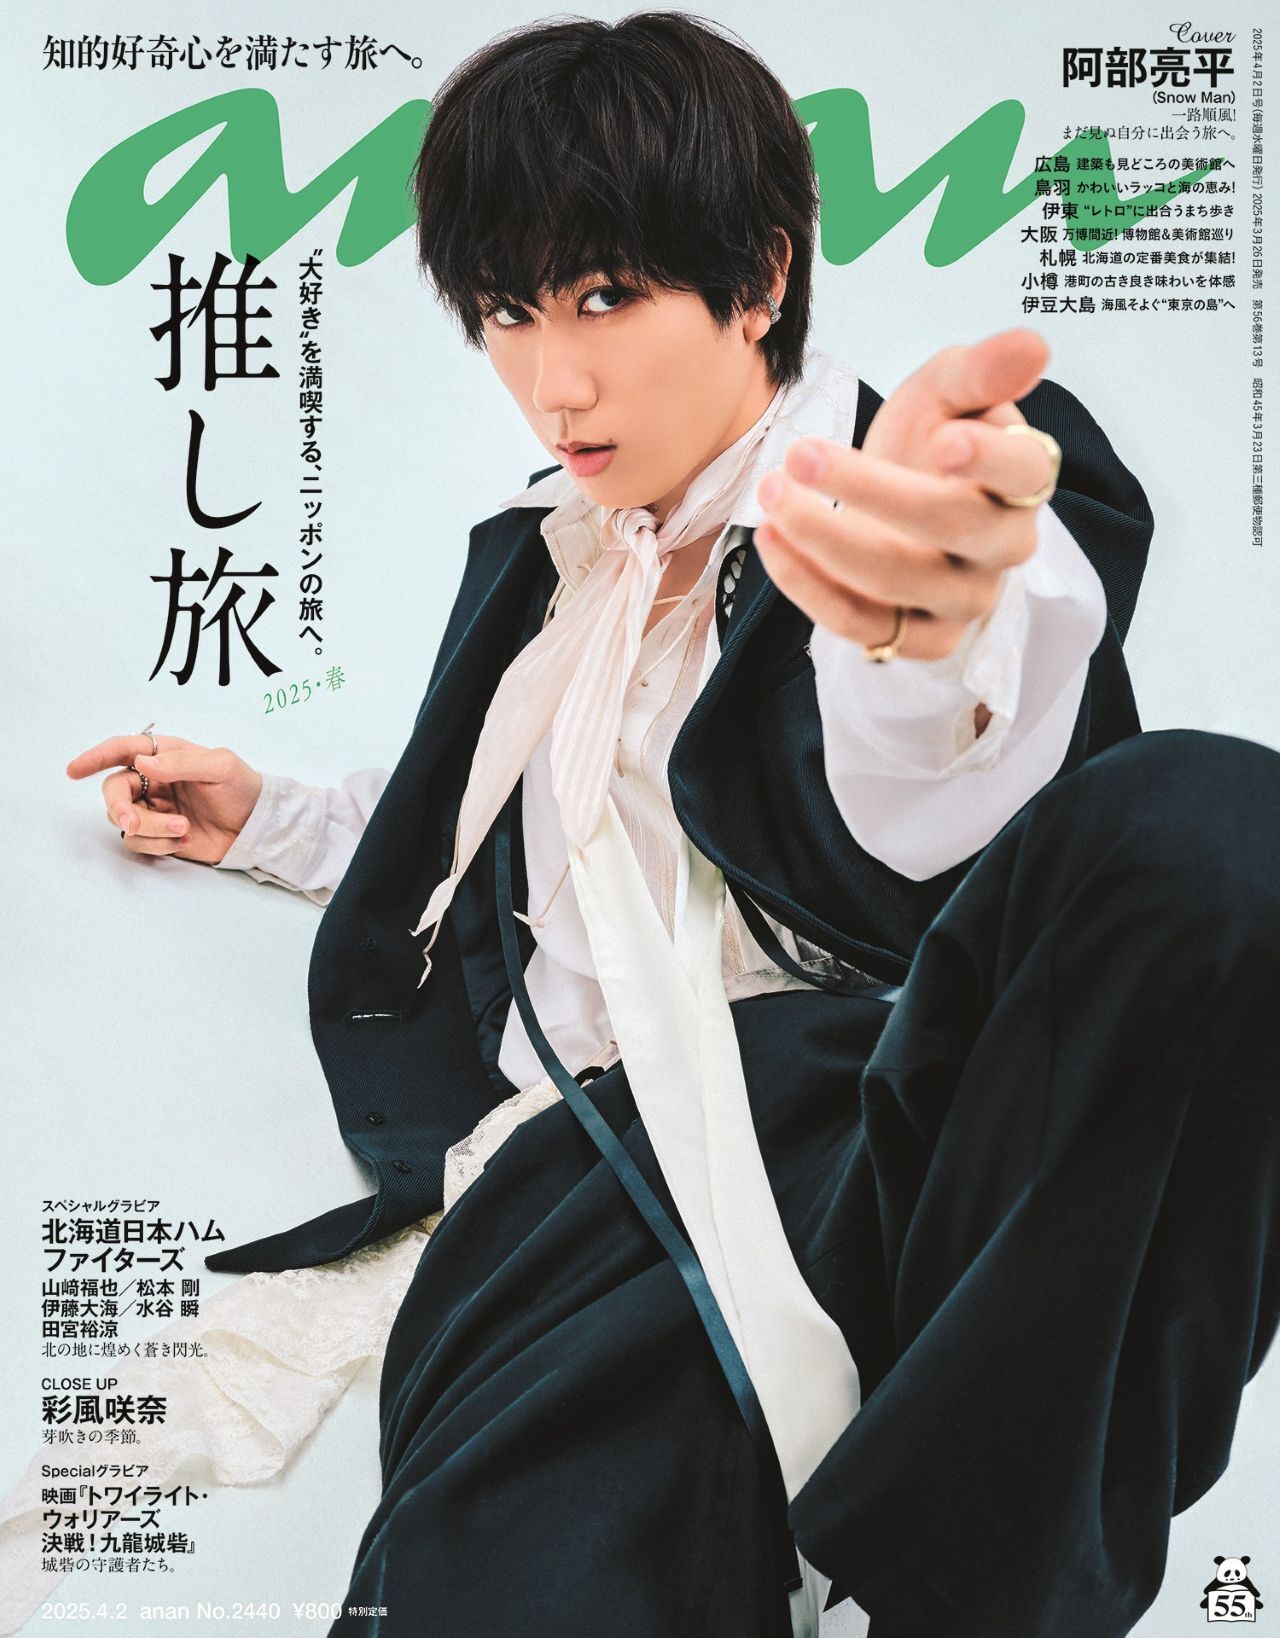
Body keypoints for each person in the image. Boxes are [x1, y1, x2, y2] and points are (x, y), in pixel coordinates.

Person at [62, 13, 1279, 1638]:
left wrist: (921, 633)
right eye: (509, 311)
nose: (552, 379)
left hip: (898, 1132)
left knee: (1221, 825)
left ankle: (978, 1591)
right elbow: (510, 827)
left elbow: (935, 769)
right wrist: (267, 814)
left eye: (603, 295)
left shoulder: (887, 498)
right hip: (589, 1188)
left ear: (761, 279)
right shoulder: (543, 563)